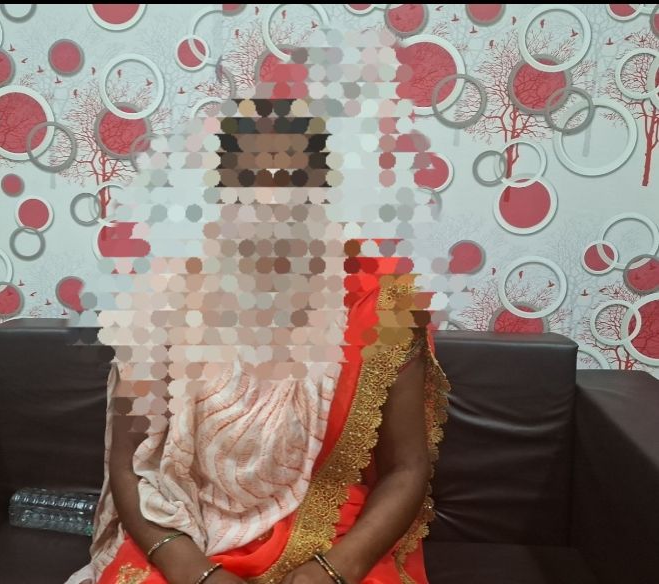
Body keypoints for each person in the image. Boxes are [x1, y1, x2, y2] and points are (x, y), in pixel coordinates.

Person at [66, 28, 452, 584]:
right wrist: (192, 570)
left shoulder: (380, 305)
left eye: (292, 181)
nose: (271, 200)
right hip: (185, 528)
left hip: (332, 532)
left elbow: (407, 468)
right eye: (249, 182)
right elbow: (129, 464)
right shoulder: (165, 303)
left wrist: (335, 569)